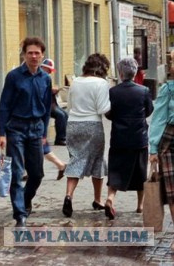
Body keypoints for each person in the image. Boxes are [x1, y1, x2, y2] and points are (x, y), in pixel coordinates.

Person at [0, 37, 52, 228]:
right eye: (30, 53)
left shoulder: (46, 79)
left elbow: (47, 107)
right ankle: (20, 215)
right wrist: (1, 132)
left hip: (36, 130)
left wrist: (44, 133)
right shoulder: (14, 77)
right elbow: (4, 105)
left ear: (43, 55)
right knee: (17, 173)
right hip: (16, 130)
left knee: (37, 174)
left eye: (37, 53)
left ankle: (25, 200)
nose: (34, 56)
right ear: (24, 54)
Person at [62, 53, 111, 218]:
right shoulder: (101, 83)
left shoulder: (75, 81)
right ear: (102, 68)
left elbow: (69, 106)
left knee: (76, 159)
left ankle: (69, 195)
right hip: (92, 125)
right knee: (97, 161)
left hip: (73, 125)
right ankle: (97, 199)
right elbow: (103, 109)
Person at [104, 57, 153, 220]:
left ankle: (110, 198)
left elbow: (109, 113)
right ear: (135, 72)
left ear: (120, 72)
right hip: (139, 138)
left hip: (119, 137)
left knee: (116, 169)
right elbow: (149, 111)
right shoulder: (144, 91)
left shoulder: (113, 91)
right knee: (140, 171)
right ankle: (140, 205)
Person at [148, 50, 174, 230]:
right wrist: (153, 149)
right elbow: (158, 119)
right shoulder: (168, 89)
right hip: (169, 141)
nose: (172, 65)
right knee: (173, 192)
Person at [40, 58, 68, 145]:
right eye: (49, 70)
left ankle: (62, 136)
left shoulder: (46, 76)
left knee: (65, 114)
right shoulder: (40, 76)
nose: (50, 72)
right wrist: (52, 91)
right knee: (61, 115)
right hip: (45, 104)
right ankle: (60, 139)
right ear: (45, 68)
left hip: (51, 103)